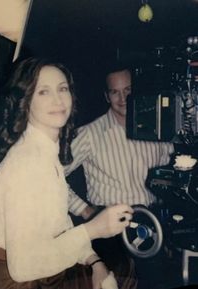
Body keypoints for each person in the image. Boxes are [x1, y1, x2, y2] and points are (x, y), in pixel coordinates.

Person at [0, 57, 135, 289]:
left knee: (121, 269)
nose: (58, 100)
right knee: (126, 275)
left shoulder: (44, 150)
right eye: (43, 92)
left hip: (39, 271)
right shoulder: (26, 163)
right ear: (25, 101)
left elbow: (61, 227)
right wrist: (95, 228)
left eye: (62, 89)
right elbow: (23, 268)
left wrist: (95, 262)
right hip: (13, 281)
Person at [64, 62, 174, 288]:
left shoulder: (158, 129)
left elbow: (171, 173)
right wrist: (83, 209)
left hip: (154, 225)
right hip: (110, 235)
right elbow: (51, 177)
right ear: (106, 95)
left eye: (128, 90)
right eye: (115, 92)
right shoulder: (89, 134)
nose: (122, 98)